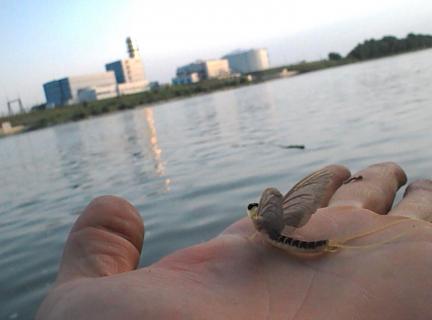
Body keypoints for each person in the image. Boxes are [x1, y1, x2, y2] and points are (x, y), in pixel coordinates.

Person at [37, 162, 432, 319]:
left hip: (293, 246)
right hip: (291, 244)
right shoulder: (264, 228)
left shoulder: (262, 226)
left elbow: (263, 240)